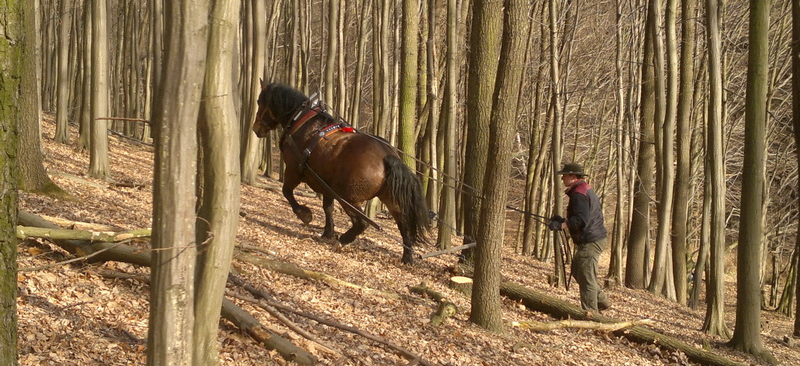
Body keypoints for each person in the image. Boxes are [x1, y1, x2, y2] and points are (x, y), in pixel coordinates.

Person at [548, 162, 611, 313]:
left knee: (586, 277)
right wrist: (564, 221)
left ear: (573, 176)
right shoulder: (582, 190)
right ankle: (602, 301)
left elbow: (581, 219)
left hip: (591, 240)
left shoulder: (579, 194)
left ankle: (592, 315)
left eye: (565, 175)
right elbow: (582, 218)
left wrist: (562, 225)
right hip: (593, 238)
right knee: (578, 271)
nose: (562, 178)